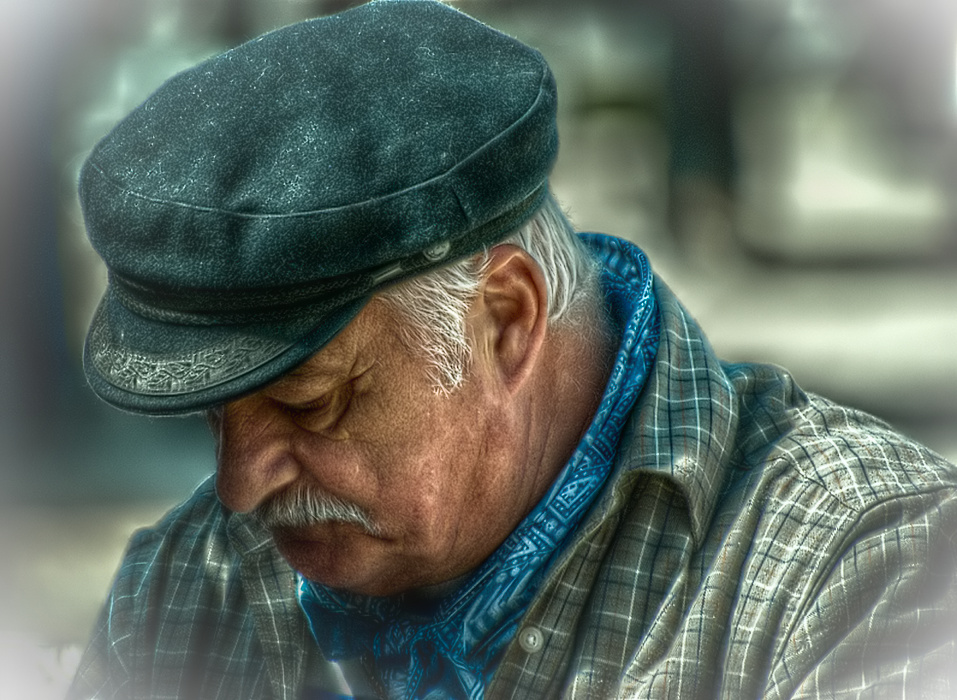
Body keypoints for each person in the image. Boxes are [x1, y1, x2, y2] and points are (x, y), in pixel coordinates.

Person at [67, 1, 957, 698]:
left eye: (309, 403)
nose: (238, 486)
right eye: (215, 417)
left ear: (505, 319)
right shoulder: (193, 579)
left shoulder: (872, 573)